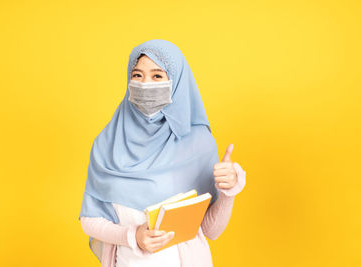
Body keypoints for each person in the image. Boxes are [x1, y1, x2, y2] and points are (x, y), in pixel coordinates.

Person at [78, 39, 246, 267]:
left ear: (176, 82)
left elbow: (210, 230)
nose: (145, 83)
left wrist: (228, 192)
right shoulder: (107, 142)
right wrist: (132, 236)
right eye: (137, 75)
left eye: (157, 76)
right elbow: (90, 219)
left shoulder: (199, 142)